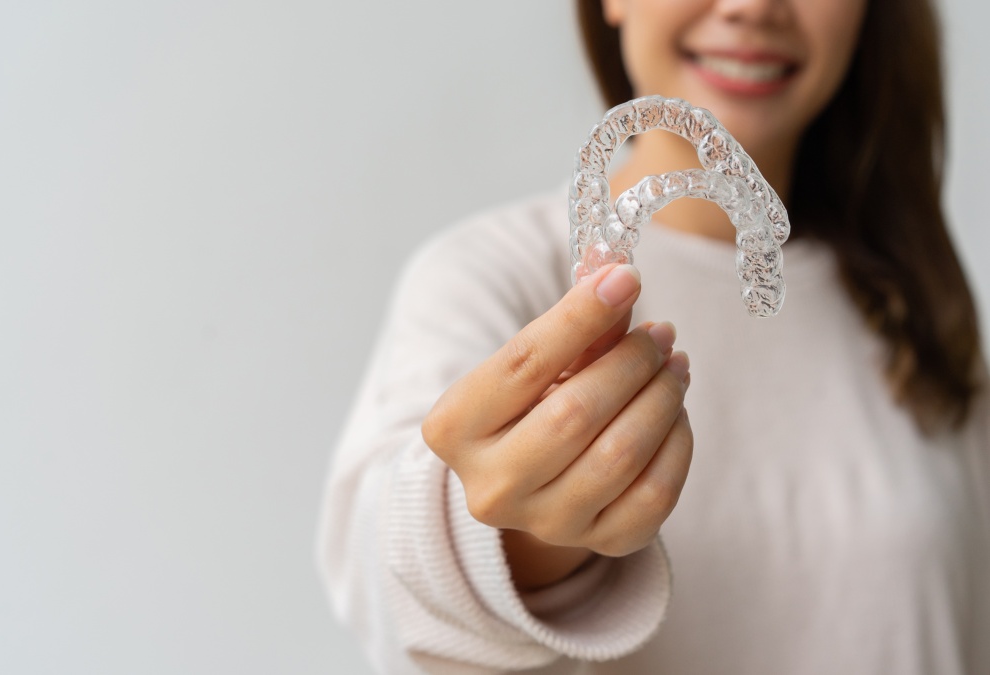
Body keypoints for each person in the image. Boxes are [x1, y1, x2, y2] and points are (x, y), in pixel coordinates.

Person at [317, 0, 990, 672]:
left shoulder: (917, 306)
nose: (752, 7)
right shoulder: (490, 277)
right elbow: (387, 572)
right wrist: (515, 549)